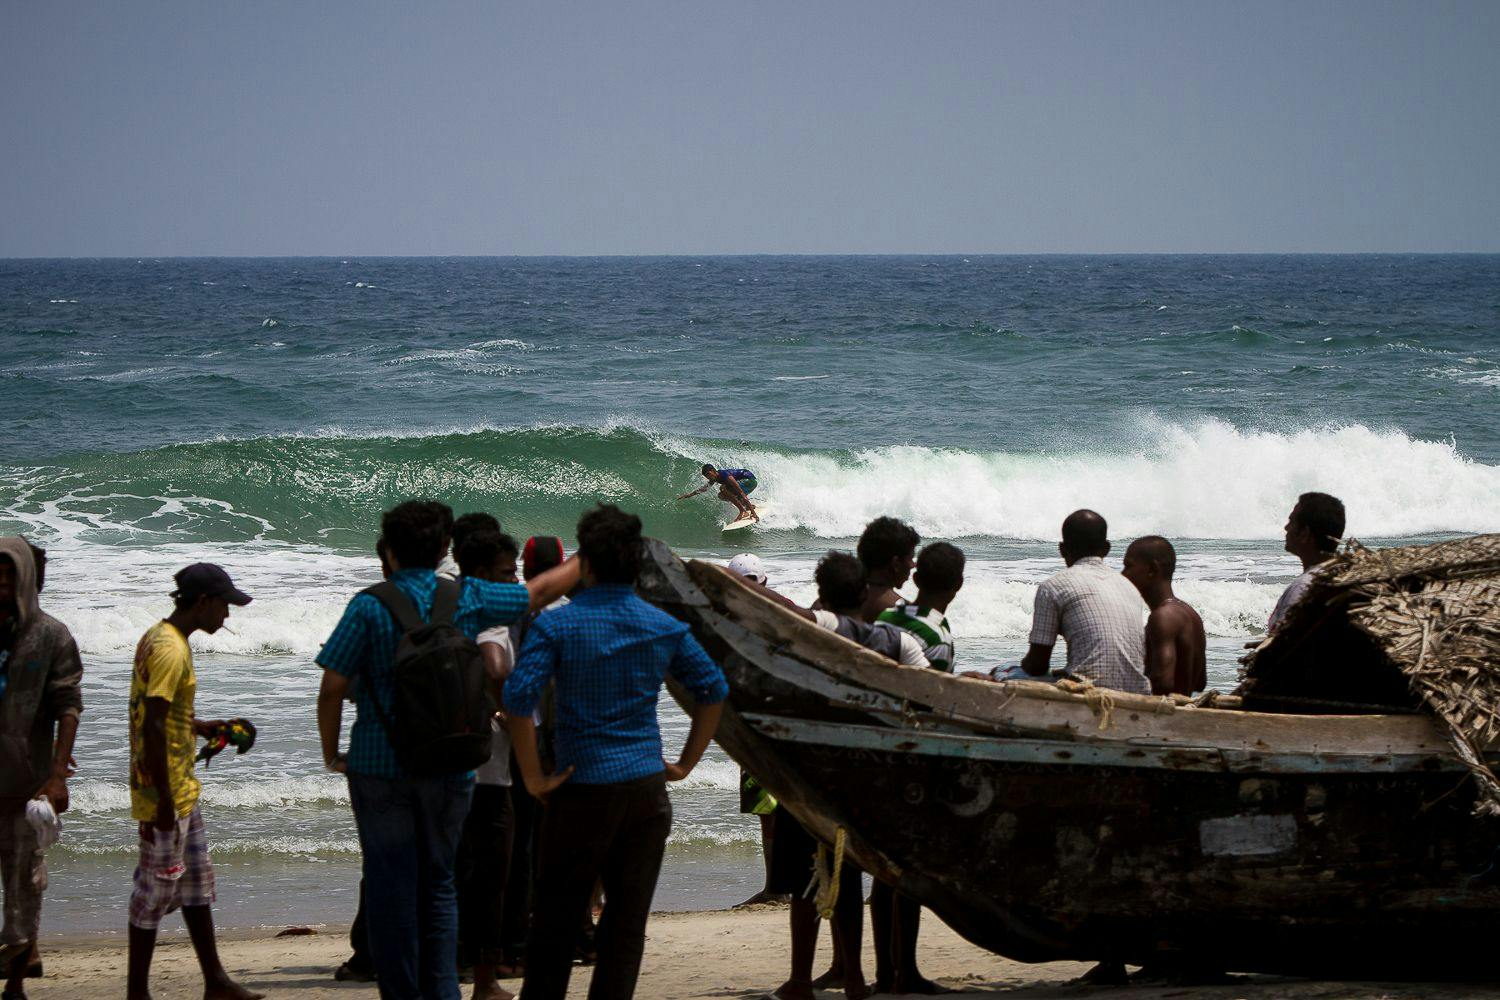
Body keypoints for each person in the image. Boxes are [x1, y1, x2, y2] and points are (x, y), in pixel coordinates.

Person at [315, 500, 580, 1000]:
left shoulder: (368, 605)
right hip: (451, 764)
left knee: (393, 885)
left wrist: (332, 754)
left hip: (379, 766)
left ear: (389, 552)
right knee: (440, 885)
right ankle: (443, 991)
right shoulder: (468, 596)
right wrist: (593, 557)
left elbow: (332, 687)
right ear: (443, 548)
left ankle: (400, 991)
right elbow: (536, 593)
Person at [504, 504, 728, 1000]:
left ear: (583, 563)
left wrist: (535, 776)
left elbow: (518, 700)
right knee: (625, 930)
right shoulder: (661, 625)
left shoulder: (557, 627)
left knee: (555, 925)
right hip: (645, 793)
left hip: (581, 789)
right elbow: (713, 690)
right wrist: (687, 762)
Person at [126, 563, 262, 1000]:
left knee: (196, 885)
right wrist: (163, 801)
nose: (227, 615)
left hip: (181, 787)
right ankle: (137, 993)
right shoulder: (170, 650)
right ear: (202, 602)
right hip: (164, 791)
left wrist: (201, 726)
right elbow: (151, 727)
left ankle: (215, 981)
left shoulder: (162, 636)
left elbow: (164, 715)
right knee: (153, 894)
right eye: (224, 605)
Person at [0, 539, 81, 1000]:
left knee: (25, 885)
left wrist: (56, 775)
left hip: (25, 782)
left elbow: (68, 703)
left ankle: (15, 984)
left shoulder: (51, 636)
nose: (4, 584)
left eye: (13, 574)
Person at [497, 535, 571, 980]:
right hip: (544, 742)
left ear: (523, 568)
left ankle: (503, 942)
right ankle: (533, 940)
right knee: (537, 846)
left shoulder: (501, 615)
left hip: (502, 741)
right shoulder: (559, 620)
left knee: (510, 847)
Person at [455, 528, 522, 1000]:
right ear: (482, 574)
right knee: (490, 878)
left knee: (448, 871)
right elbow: (496, 667)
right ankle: (484, 981)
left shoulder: (439, 607)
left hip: (441, 763)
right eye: (505, 572)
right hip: (489, 768)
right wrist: (502, 704)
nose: (513, 580)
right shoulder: (489, 618)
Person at [1016, 510, 1151, 696]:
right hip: (1137, 692)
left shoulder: (1053, 586)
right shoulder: (1129, 587)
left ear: (1062, 549)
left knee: (1006, 671)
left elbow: (1037, 665)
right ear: (1107, 548)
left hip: (1087, 692)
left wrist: (1018, 666)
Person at [726, 552, 783, 909]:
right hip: (784, 727)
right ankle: (783, 884)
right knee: (785, 808)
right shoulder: (784, 618)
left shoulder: (729, 624)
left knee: (767, 810)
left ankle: (777, 886)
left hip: (756, 728)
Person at [1121, 537, 1207, 696]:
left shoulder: (1162, 617)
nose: (1123, 574)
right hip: (1181, 715)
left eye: (1128, 566)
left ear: (1152, 569)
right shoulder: (1190, 613)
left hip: (1161, 717)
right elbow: (1200, 683)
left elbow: (1163, 682)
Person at [876, 542, 963, 673]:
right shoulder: (938, 639)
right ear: (959, 583)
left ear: (915, 579)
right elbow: (939, 689)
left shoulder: (884, 617)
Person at [1268, 492, 1345, 632]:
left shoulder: (1304, 589)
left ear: (1305, 533)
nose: (1286, 527)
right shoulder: (1340, 579)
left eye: (1291, 521)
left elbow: (1289, 646)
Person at [854, 517, 920, 623]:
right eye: (911, 558)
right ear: (896, 564)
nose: (913, 565)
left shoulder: (831, 601)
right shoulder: (905, 614)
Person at [677, 464, 759, 521]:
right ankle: (747, 506)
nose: (708, 477)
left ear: (713, 471)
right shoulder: (715, 478)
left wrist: (754, 513)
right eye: (706, 476)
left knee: (723, 489)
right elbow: (704, 489)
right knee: (721, 496)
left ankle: (743, 511)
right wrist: (689, 495)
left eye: (708, 474)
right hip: (745, 483)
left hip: (750, 481)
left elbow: (741, 493)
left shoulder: (724, 475)